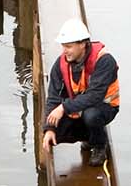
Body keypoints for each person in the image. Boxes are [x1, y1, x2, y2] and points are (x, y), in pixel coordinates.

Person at [43, 18, 120, 166]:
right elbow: (53, 98)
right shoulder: (60, 65)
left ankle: (99, 145)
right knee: (54, 132)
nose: (64, 51)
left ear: (83, 44)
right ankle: (88, 136)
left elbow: (95, 96)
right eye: (63, 46)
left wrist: (64, 107)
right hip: (78, 106)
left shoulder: (104, 61)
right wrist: (49, 129)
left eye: (69, 46)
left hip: (104, 107)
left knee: (91, 116)